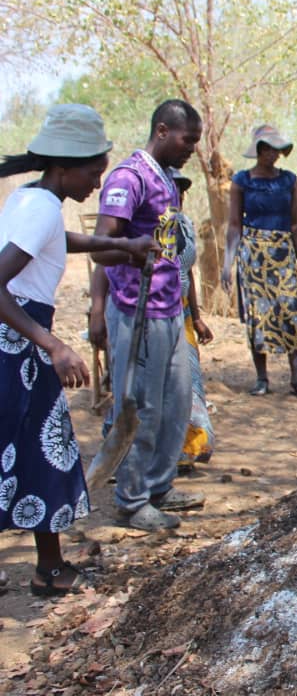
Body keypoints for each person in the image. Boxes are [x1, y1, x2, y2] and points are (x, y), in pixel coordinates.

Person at [0, 104, 158, 595]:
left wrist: (124, 246)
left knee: (35, 450)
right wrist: (54, 345)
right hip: (16, 344)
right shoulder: (40, 206)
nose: (97, 181)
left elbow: (54, 242)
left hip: (20, 340)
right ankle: (49, 569)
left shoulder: (32, 200)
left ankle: (50, 568)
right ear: (65, 166)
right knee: (36, 449)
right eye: (93, 172)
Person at [92, 99, 207, 532]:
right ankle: (132, 498)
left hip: (170, 309)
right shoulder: (129, 178)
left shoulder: (167, 180)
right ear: (162, 130)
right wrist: (131, 251)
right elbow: (101, 245)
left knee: (177, 402)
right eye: (187, 139)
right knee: (141, 407)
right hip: (138, 311)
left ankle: (160, 486)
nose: (192, 148)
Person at [90, 167, 215, 471]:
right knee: (140, 391)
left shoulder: (182, 225)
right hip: (140, 312)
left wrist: (196, 317)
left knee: (183, 388)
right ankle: (129, 465)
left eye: (181, 190)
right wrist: (96, 312)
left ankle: (174, 458)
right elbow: (103, 266)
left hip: (178, 315)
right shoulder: (139, 222)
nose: (178, 196)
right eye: (173, 188)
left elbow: (186, 273)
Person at [221, 125, 297, 400]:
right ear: (259, 151)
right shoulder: (243, 181)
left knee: (291, 313)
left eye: (277, 150)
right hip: (253, 255)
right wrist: (227, 263)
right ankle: (262, 378)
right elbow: (233, 225)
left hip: (283, 253)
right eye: (268, 150)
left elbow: (296, 223)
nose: (274, 155)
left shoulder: (289, 180)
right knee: (258, 316)